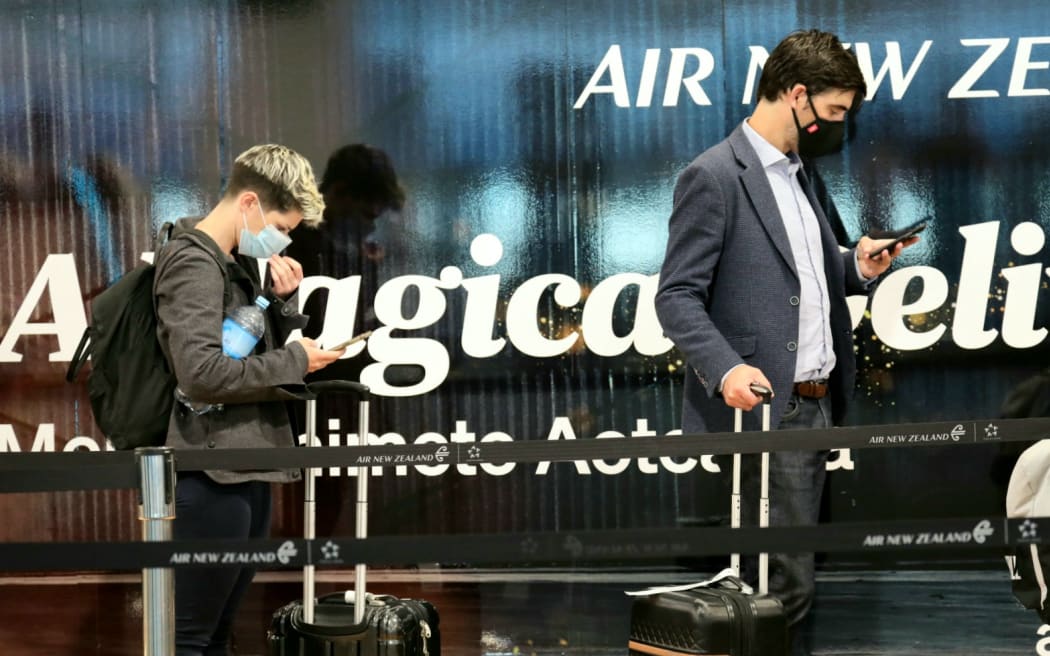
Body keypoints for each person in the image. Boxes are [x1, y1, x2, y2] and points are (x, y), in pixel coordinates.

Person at [653, 30, 916, 655]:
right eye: (832, 112)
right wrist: (726, 371)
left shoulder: (803, 175)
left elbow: (819, 274)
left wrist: (861, 265)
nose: (837, 125)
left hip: (816, 404)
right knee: (778, 586)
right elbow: (675, 297)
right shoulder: (714, 176)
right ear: (796, 93)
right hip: (767, 409)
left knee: (783, 581)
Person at [153, 143, 344, 655]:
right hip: (213, 469)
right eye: (283, 225)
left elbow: (235, 345)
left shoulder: (227, 262)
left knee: (216, 633)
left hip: (242, 463)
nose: (282, 239)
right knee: (196, 636)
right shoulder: (192, 262)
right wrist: (297, 360)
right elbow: (202, 375)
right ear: (250, 203)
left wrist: (277, 303)